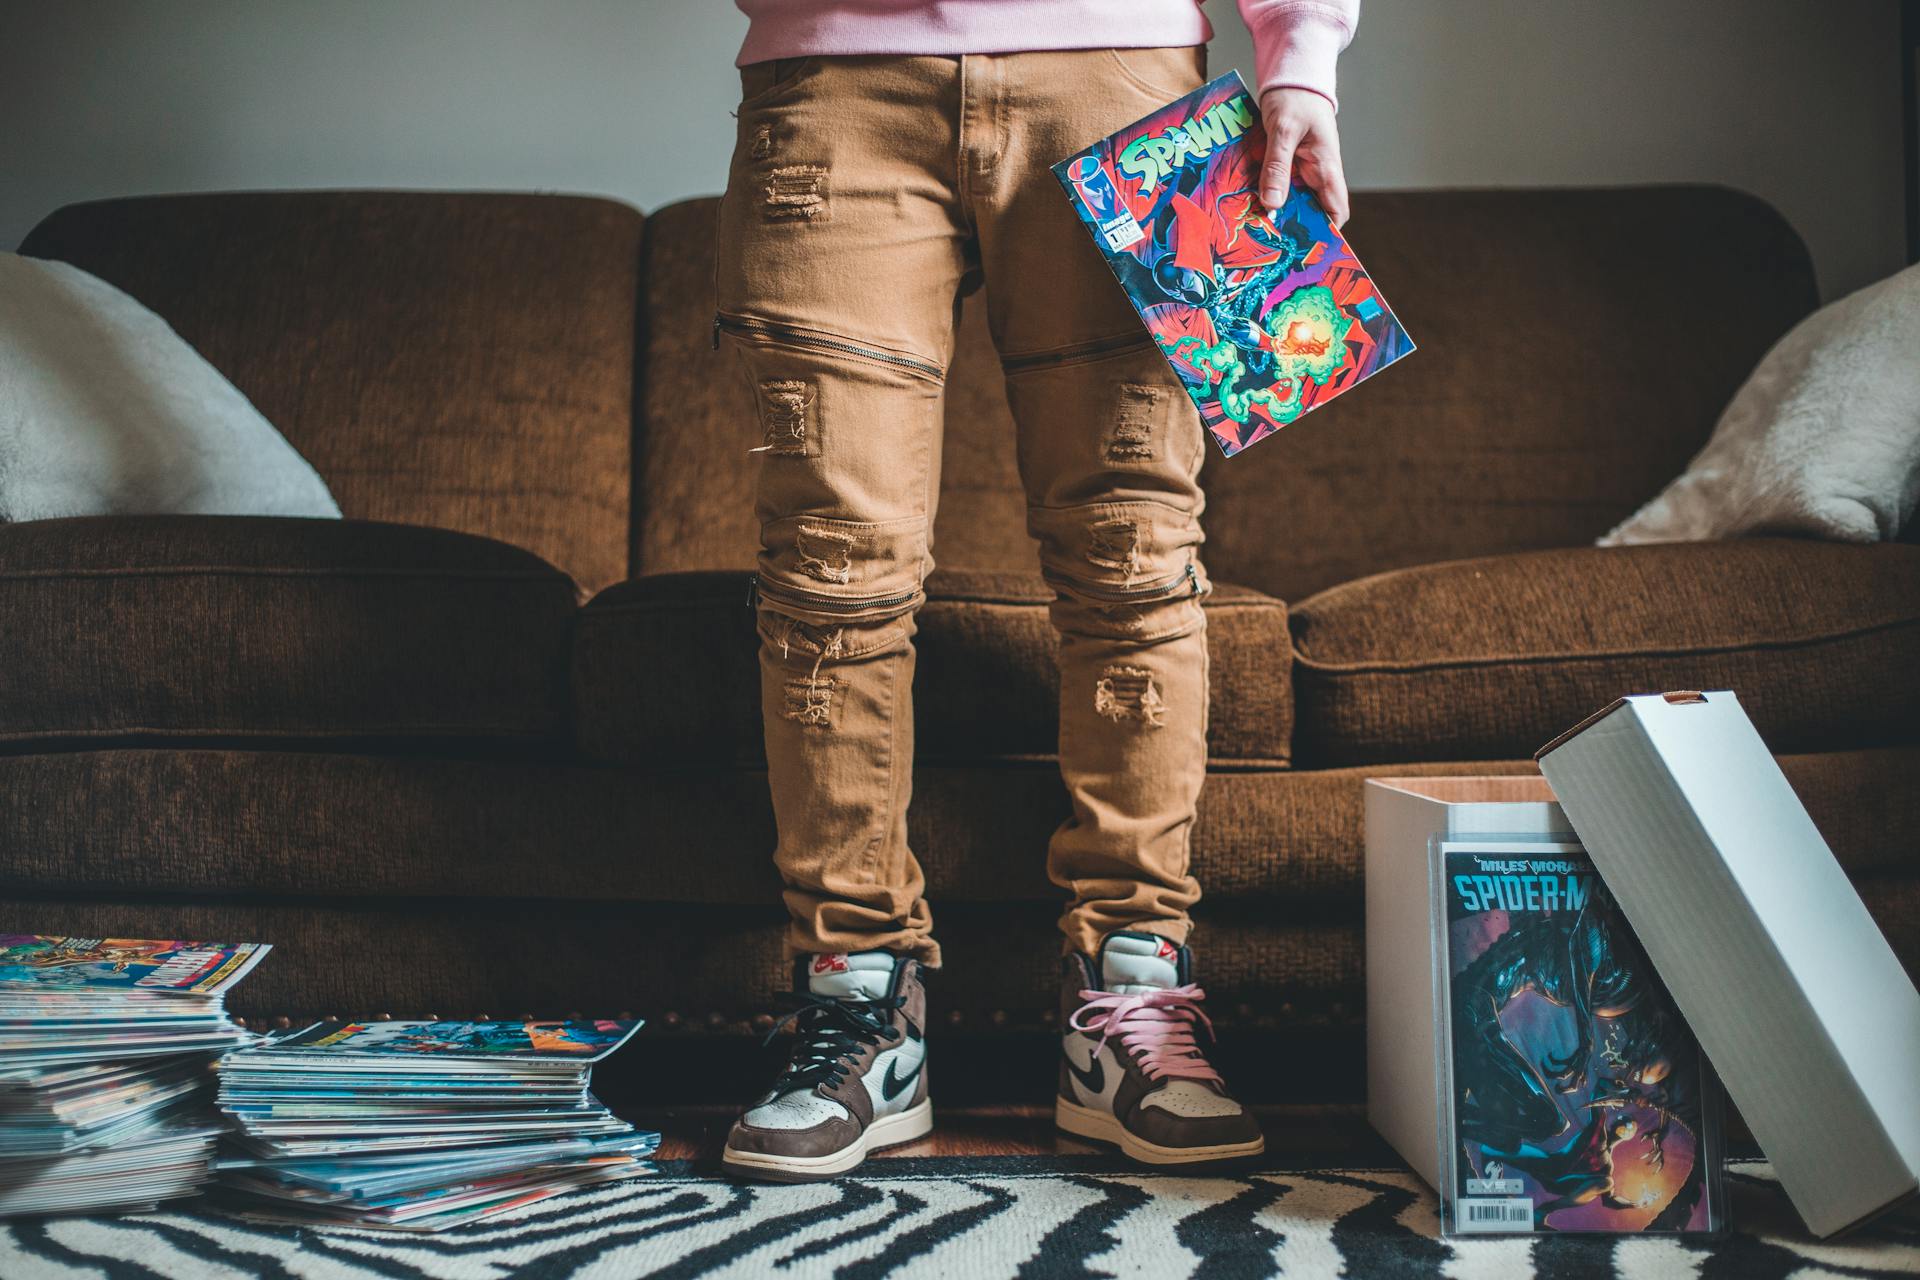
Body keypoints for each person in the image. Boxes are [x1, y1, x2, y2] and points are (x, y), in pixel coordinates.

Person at [713, 0, 1358, 1182]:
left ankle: (1130, 993)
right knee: (827, 579)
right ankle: (859, 1000)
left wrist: (1300, 51)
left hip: (1120, 76)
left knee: (1136, 557)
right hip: (833, 85)